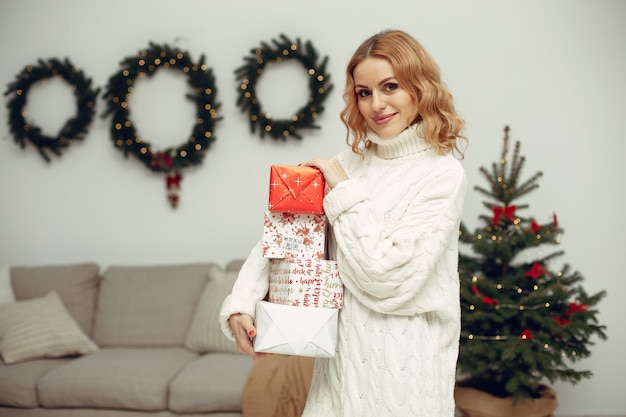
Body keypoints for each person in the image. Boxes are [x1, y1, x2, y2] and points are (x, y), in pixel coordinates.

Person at [220, 29, 467, 417]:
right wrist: (241, 302)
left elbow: (387, 277)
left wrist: (344, 191)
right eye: (364, 92)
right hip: (338, 373)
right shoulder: (349, 163)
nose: (376, 105)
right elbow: (290, 234)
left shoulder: (442, 175)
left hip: (405, 380)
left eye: (390, 87)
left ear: (419, 88)